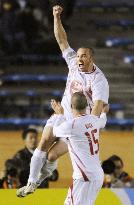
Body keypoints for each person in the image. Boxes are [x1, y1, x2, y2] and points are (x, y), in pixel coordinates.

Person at [16, 5, 109, 197]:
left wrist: (85, 127)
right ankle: (32, 183)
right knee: (43, 142)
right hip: (62, 114)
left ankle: (43, 176)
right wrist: (56, 17)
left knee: (51, 155)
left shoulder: (99, 80)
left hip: (78, 124)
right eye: (79, 55)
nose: (79, 58)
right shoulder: (74, 64)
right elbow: (61, 40)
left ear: (92, 58)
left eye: (84, 55)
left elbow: (98, 107)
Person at [53, 92, 108, 205]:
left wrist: (59, 114)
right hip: (97, 174)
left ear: (71, 106)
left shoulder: (71, 126)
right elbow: (103, 122)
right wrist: (104, 112)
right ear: (87, 105)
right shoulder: (94, 120)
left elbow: (55, 131)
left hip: (84, 177)